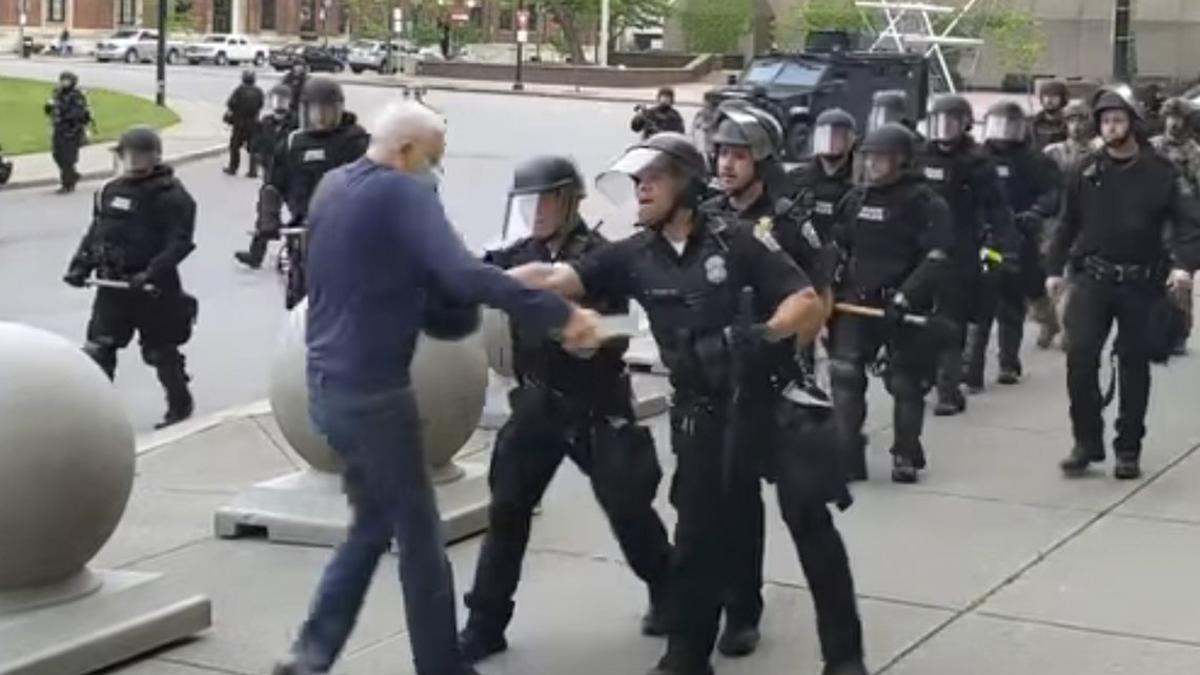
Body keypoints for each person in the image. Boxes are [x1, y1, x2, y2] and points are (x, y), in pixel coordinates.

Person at [507, 132, 866, 675]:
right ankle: (686, 655)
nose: (641, 190)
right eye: (636, 181)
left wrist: (765, 334)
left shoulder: (740, 240)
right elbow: (557, 278)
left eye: (653, 179)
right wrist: (476, 281)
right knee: (697, 537)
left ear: (687, 185)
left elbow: (806, 301)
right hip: (702, 409)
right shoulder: (632, 254)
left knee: (809, 527)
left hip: (770, 399)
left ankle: (844, 658)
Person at [271, 101, 605, 675]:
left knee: (374, 526)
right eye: (434, 159)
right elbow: (459, 275)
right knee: (421, 541)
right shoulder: (401, 193)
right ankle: (438, 665)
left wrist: (474, 289)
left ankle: (311, 655)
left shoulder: (333, 186)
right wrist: (557, 313)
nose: (437, 173)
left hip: (326, 386)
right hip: (376, 395)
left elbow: (393, 278)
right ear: (405, 152)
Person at [458, 156, 674, 661]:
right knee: (508, 509)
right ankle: (485, 622)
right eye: (526, 203)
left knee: (628, 508)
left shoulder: (598, 259)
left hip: (595, 404)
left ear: (569, 201)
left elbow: (623, 330)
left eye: (544, 201)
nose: (534, 213)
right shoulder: (518, 254)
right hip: (537, 402)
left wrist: (593, 337)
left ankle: (668, 591)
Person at [699, 103, 838, 658]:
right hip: (723, 376)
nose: (726, 164)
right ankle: (740, 610)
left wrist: (788, 351)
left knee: (803, 507)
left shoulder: (790, 219)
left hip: (777, 375)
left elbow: (819, 299)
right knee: (731, 502)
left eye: (738, 154)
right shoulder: (708, 214)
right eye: (721, 153)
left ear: (761, 159)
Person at [1046, 87, 1200, 481]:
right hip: (1092, 278)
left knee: (1134, 368)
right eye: (1105, 120)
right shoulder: (1086, 170)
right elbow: (1066, 223)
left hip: (1142, 282)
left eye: (1118, 119)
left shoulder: (1161, 171)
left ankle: (1127, 448)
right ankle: (1086, 442)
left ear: (1132, 122)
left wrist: (1183, 267)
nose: (1111, 126)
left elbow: (1189, 223)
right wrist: (1052, 268)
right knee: (1079, 359)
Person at [830, 123, 953, 484]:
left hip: (904, 307)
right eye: (868, 157)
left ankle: (905, 451)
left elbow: (936, 256)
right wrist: (829, 287)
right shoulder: (854, 201)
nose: (872, 165)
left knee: (904, 383)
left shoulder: (925, 202)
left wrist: (906, 296)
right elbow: (837, 248)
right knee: (845, 375)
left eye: (881, 158)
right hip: (857, 304)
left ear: (902, 161)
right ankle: (847, 452)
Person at [62, 127, 198, 429]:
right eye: (129, 155)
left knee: (160, 351)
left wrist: (151, 271)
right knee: (99, 350)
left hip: (153, 288)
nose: (135, 161)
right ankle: (94, 414)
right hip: (113, 286)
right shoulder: (109, 191)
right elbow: (96, 232)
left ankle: (179, 403)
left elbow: (180, 242)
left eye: (142, 156)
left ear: (155, 157)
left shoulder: (171, 195)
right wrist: (80, 265)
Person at [916, 94, 1018, 416]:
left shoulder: (977, 162)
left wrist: (1002, 246)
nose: (944, 130)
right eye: (939, 122)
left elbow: (996, 208)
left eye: (951, 122)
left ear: (964, 125)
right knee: (917, 318)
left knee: (952, 318)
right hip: (918, 248)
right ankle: (924, 377)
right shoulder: (919, 157)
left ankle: (948, 388)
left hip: (961, 248)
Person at [234, 77, 369, 302]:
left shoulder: (356, 141)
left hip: (347, 228)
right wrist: (268, 219)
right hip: (303, 227)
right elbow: (273, 186)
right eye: (316, 111)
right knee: (297, 288)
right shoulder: (292, 144)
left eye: (328, 111)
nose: (322, 118)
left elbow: (374, 184)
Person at [965, 101, 1063, 388]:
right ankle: (972, 367)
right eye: (998, 124)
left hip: (1021, 237)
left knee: (1013, 299)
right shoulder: (978, 159)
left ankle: (1009, 362)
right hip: (987, 239)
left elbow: (1053, 193)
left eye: (1010, 125)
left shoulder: (1035, 161)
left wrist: (1035, 212)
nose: (1003, 133)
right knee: (983, 301)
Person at [1150, 97, 1200, 353]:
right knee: (1154, 280)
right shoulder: (1152, 147)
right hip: (1153, 219)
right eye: (1170, 117)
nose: (1174, 123)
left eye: (1179, 117)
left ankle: (1180, 333)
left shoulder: (1193, 151)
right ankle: (1157, 332)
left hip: (1184, 223)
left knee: (1181, 279)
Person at [790, 108, 858, 241]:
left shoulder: (861, 182)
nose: (830, 141)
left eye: (837, 135)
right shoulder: (796, 179)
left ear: (851, 140)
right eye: (825, 135)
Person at [44, 70, 92, 194]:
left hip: (72, 130)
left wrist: (63, 113)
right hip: (59, 129)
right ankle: (73, 175)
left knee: (68, 158)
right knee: (57, 155)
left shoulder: (77, 95)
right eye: (62, 80)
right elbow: (50, 110)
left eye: (67, 80)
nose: (64, 83)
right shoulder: (57, 93)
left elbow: (77, 114)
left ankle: (67, 184)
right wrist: (49, 107)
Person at [224, 69, 265, 178]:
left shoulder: (239, 90)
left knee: (234, 146)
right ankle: (253, 171)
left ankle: (233, 168)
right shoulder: (259, 91)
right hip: (253, 122)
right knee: (253, 148)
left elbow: (230, 104)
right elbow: (261, 104)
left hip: (239, 123)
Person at [253, 84, 298, 180]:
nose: (279, 103)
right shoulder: (266, 121)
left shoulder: (295, 122)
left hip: (288, 168)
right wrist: (259, 156)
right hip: (269, 165)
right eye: (276, 100)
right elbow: (258, 141)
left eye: (283, 100)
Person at [1029, 79, 1069, 150]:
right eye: (1046, 96)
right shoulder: (1035, 123)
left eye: (1054, 96)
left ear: (1062, 99)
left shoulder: (1069, 123)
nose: (1049, 100)